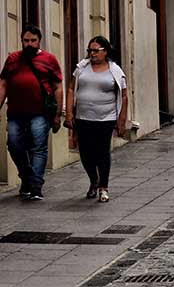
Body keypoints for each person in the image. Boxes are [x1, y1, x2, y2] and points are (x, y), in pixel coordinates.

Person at [0, 24, 63, 200]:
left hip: (40, 112)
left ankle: (35, 185)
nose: (29, 44)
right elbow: (3, 84)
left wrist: (58, 113)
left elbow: (58, 87)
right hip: (15, 112)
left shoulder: (49, 59)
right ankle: (26, 175)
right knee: (13, 144)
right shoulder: (13, 59)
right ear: (21, 40)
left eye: (33, 40)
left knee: (38, 147)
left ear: (39, 41)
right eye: (26, 40)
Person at [65, 36, 128, 203]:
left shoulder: (114, 70)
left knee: (102, 152)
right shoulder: (81, 68)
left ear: (105, 51)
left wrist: (121, 120)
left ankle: (103, 187)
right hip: (83, 117)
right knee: (85, 153)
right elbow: (71, 89)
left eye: (96, 51)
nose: (92, 54)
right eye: (90, 51)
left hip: (105, 118)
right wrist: (69, 113)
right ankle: (94, 179)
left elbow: (124, 95)